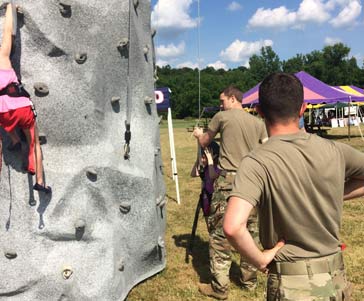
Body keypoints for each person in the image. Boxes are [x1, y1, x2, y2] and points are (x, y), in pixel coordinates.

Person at [223, 72, 363, 300]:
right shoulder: (334, 150)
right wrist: (334, 192)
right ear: (302, 109)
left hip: (291, 285)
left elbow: (232, 226)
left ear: (259, 111)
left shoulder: (257, 161)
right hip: (336, 280)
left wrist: (259, 259)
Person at [193, 86, 267, 300]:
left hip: (228, 184)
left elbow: (205, 142)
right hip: (254, 183)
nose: (220, 104)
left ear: (233, 99)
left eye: (222, 100)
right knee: (250, 232)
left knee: (219, 236)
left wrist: (199, 134)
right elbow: (267, 149)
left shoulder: (221, 117)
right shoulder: (258, 123)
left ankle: (220, 288)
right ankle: (249, 282)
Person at [0, 3, 50, 193]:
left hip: (3, 112)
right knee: (34, 142)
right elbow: (7, 31)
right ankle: (39, 181)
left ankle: (13, 140)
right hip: (21, 106)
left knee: (3, 119)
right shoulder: (3, 56)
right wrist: (10, 7)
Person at [190, 141, 221, 220]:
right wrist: (198, 159)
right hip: (206, 201)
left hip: (215, 203)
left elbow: (212, 175)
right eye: (202, 157)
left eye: (204, 157)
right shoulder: (206, 168)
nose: (203, 160)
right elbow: (194, 174)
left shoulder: (218, 168)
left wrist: (210, 160)